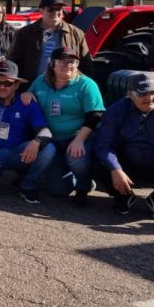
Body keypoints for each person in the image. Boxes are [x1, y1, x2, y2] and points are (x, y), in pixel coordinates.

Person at [25, 47, 104, 204]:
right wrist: (25, 94)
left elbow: (95, 116)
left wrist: (79, 140)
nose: (68, 65)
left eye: (73, 62)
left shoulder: (86, 85)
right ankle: (68, 174)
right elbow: (29, 98)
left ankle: (83, 186)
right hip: (50, 140)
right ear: (52, 64)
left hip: (76, 138)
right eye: (63, 61)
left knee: (77, 158)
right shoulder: (40, 81)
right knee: (58, 191)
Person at [93, 72, 154, 218]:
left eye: (153, 93)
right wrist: (115, 169)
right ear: (130, 95)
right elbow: (104, 145)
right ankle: (123, 196)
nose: (149, 98)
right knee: (97, 163)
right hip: (126, 164)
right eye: (142, 94)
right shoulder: (115, 111)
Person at [0, 61, 55, 203]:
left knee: (49, 148)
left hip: (20, 153)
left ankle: (28, 185)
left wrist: (36, 142)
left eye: (7, 83)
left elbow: (46, 131)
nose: (2, 87)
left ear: (17, 85)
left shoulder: (27, 103)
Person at [9, 0, 92, 83]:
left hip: (66, 90)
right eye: (51, 9)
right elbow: (14, 63)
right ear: (41, 10)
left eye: (59, 9)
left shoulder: (76, 33)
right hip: (33, 89)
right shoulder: (24, 33)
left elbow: (87, 66)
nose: (56, 13)